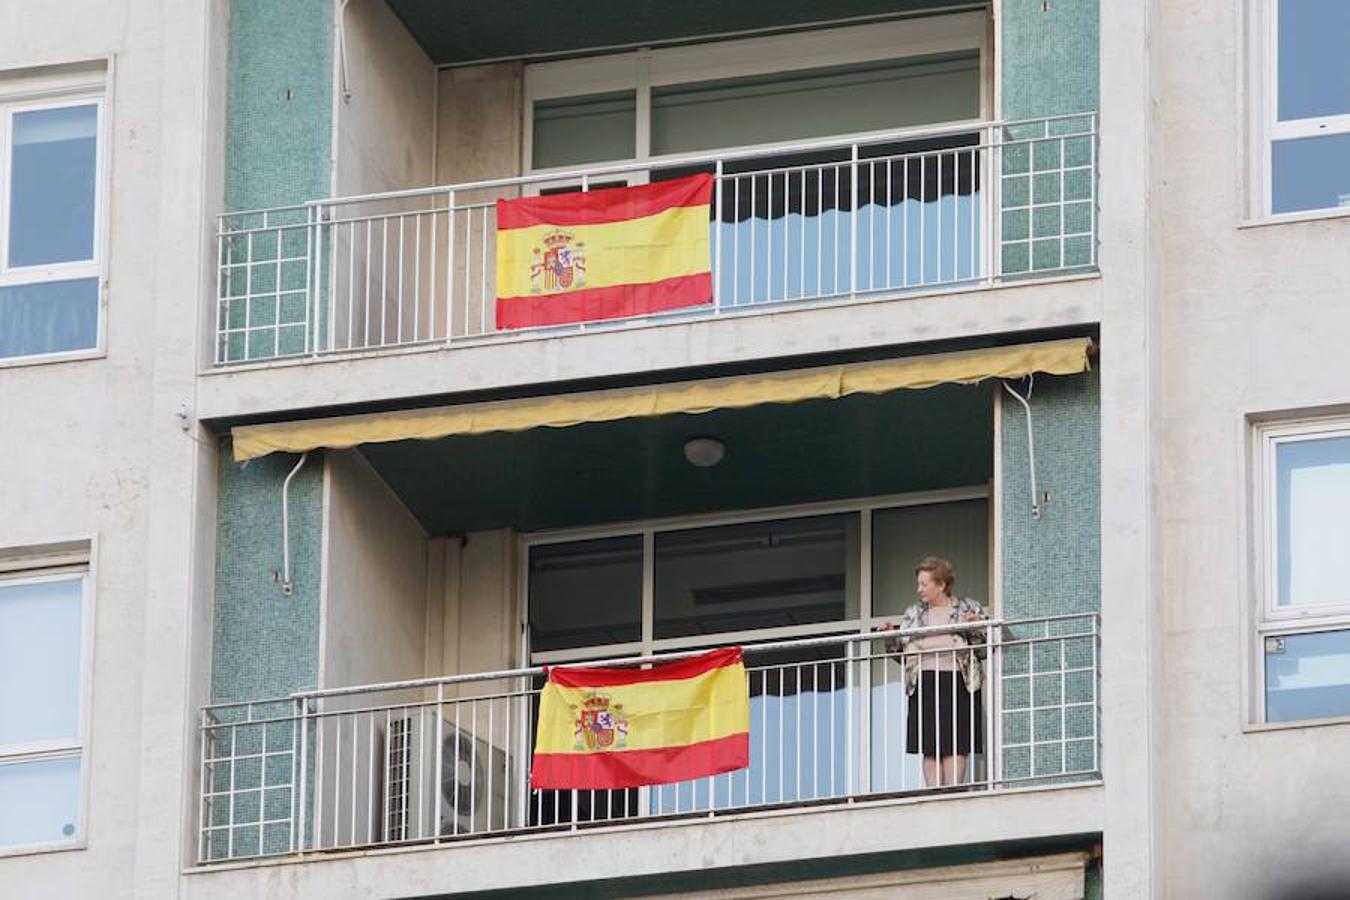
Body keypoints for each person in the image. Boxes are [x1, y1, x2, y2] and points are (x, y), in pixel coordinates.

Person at [881, 556, 988, 787]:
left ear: (941, 585)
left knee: (956, 741)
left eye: (924, 584)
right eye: (918, 583)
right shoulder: (914, 614)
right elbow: (900, 654)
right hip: (924, 680)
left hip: (959, 680)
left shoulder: (968, 608)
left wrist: (977, 626)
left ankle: (953, 789)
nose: (919, 589)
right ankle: (934, 793)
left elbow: (984, 649)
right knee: (929, 745)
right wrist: (890, 636)